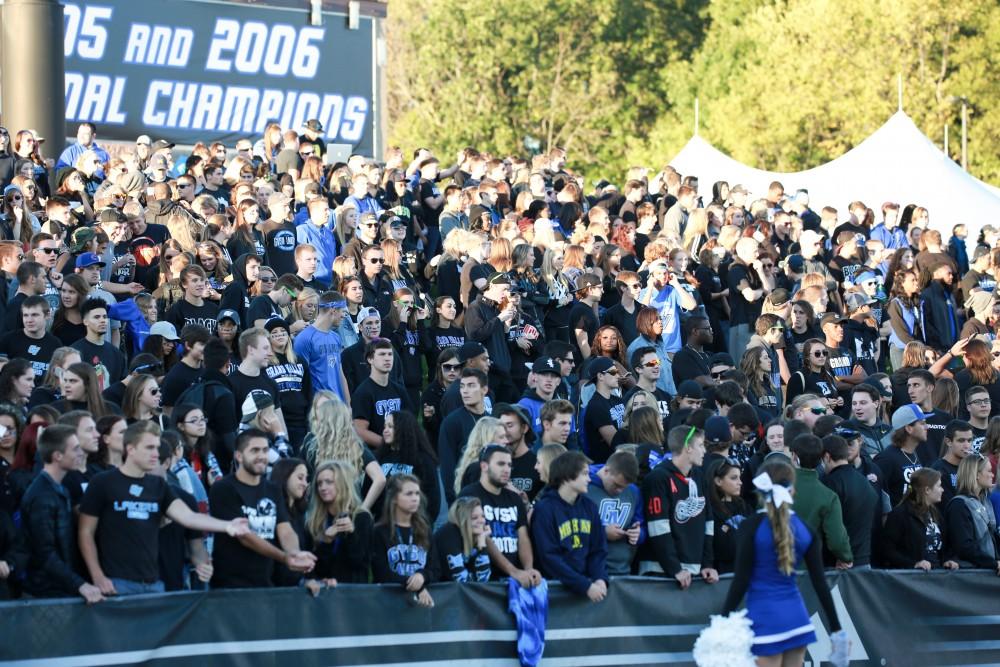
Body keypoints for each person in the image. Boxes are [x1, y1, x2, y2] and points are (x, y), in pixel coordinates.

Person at [78, 422, 250, 595]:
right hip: (116, 584)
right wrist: (97, 576)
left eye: (157, 447)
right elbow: (85, 532)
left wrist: (228, 526)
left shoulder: (158, 485)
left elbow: (188, 517)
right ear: (130, 449)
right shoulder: (103, 482)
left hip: (153, 585)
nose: (156, 454)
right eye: (149, 448)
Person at [722, 459, 844, 664]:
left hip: (764, 619)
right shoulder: (806, 529)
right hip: (797, 618)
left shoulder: (750, 526)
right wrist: (837, 630)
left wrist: (722, 622)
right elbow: (820, 583)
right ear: (792, 489)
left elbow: (740, 581)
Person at [209, 429, 316, 588]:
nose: (261, 456)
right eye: (255, 450)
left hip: (265, 583)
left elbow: (285, 529)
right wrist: (284, 557)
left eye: (265, 450)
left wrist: (294, 552)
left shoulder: (272, 490)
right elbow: (245, 537)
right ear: (239, 456)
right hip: (230, 587)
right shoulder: (223, 488)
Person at [19, 424, 104, 602]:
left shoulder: (58, 489)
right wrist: (80, 584)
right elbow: (45, 553)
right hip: (45, 593)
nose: (81, 453)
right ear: (58, 456)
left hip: (59, 589)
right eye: (75, 449)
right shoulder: (42, 496)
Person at [639, 425, 718, 588]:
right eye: (701, 445)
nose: (704, 451)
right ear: (688, 448)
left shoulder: (699, 476)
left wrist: (707, 563)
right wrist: (674, 568)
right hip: (660, 571)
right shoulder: (657, 478)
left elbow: (708, 522)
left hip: (693, 570)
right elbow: (658, 527)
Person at [530, 451, 609, 600]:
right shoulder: (544, 509)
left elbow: (598, 549)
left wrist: (600, 578)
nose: (589, 479)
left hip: (588, 587)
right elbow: (549, 557)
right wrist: (584, 585)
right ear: (567, 476)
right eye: (584, 474)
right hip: (555, 591)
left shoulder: (590, 507)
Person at [459, 445, 541, 587]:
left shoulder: (514, 498)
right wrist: (513, 571)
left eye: (509, 465)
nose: (507, 469)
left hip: (515, 578)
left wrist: (529, 569)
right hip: (483, 580)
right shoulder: (469, 495)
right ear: (484, 466)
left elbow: (523, 537)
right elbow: (483, 537)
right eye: (501, 464)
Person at [303, 460, 374, 591]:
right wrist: (326, 541)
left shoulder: (361, 517)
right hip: (321, 593)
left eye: (329, 482)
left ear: (343, 484)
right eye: (319, 483)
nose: (323, 487)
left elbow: (359, 562)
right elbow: (313, 566)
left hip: (353, 594)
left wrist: (351, 534)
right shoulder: (312, 519)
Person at [371, 474, 438, 608]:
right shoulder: (379, 532)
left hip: (419, 606)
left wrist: (422, 576)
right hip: (388, 605)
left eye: (417, 494)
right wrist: (416, 586)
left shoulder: (425, 530)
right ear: (394, 498)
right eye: (409, 494)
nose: (415, 498)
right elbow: (382, 573)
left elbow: (435, 569)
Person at [789, 433, 853, 568]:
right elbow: (836, 540)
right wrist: (846, 557)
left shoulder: (774, 488)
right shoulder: (828, 496)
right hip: (807, 571)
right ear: (822, 458)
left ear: (794, 456)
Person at [881, 468, 959, 571]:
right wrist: (914, 564)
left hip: (938, 576)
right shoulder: (900, 514)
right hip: (911, 580)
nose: (942, 489)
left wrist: (948, 560)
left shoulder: (936, 514)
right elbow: (887, 550)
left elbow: (945, 546)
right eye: (939, 486)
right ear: (927, 490)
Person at [821, 434, 878, 568]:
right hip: (864, 559)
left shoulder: (829, 483)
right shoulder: (864, 482)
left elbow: (831, 527)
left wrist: (842, 555)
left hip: (840, 563)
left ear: (827, 457)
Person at [586, 449, 643, 577]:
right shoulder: (584, 485)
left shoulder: (633, 491)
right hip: (588, 571)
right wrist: (602, 532)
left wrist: (638, 534)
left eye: (624, 487)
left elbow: (640, 523)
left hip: (621, 569)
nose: (619, 491)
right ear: (606, 471)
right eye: (616, 485)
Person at [379, 410, 441, 522]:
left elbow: (433, 499)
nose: (385, 431)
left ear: (404, 429)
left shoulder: (423, 460)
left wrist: (423, 525)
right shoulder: (380, 457)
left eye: (391, 427)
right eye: (385, 427)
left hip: (415, 525)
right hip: (383, 524)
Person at [352, 338, 413, 450]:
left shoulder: (399, 391)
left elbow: (410, 423)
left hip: (401, 452)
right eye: (382, 354)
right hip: (376, 456)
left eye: (390, 354)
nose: (387, 358)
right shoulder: (363, 393)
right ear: (370, 359)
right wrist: (388, 445)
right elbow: (359, 430)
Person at [293, 291, 350, 403]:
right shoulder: (304, 338)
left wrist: (348, 404)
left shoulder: (336, 337)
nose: (344, 316)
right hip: (319, 407)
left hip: (338, 404)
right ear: (333, 310)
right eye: (342, 311)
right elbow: (300, 378)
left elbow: (340, 372)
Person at [0, 295, 62, 381]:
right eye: (25, 315)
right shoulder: (7, 340)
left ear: (48, 315)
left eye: (34, 315)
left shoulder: (55, 344)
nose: (29, 320)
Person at [433, 496, 492, 583]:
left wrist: (482, 544)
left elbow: (484, 579)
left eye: (483, 516)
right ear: (462, 520)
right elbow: (462, 581)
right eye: (474, 518)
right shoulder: (449, 533)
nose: (482, 521)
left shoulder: (477, 536)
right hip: (439, 592)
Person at [71, 298, 125, 389]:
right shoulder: (75, 352)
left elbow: (122, 387)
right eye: (97, 317)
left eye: (105, 317)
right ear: (85, 321)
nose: (102, 320)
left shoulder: (117, 354)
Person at [582, 357, 625, 464]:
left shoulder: (618, 400)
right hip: (607, 465)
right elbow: (616, 443)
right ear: (600, 376)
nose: (618, 376)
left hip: (622, 459)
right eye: (613, 372)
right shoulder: (596, 406)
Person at [160, 324, 211, 412]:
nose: (206, 348)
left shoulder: (206, 372)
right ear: (188, 345)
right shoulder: (175, 377)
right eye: (202, 344)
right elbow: (168, 415)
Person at [932, 420, 975, 506]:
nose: (967, 446)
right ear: (948, 442)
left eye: (969, 440)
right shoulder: (938, 470)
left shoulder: (971, 467)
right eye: (961, 441)